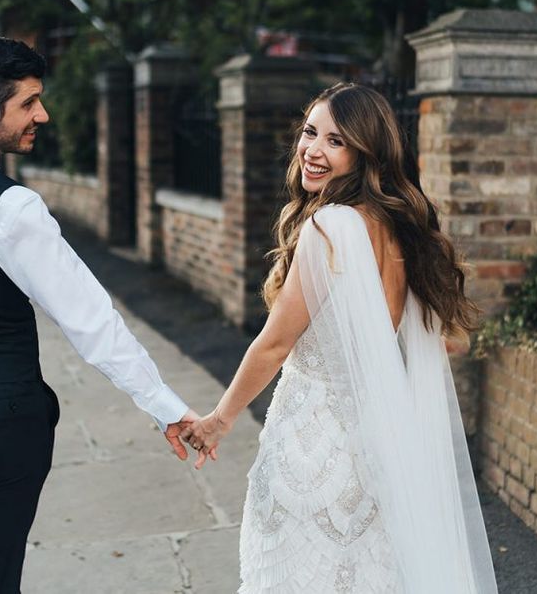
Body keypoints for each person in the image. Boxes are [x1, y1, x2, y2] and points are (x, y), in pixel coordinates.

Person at [0, 35, 197, 594]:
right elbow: (89, 320)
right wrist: (165, 407)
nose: (44, 113)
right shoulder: (12, 206)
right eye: (29, 102)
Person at [184, 83, 498, 593]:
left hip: (314, 453)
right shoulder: (398, 228)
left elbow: (274, 343)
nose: (313, 150)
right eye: (311, 133)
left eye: (336, 141)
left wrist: (220, 419)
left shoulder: (330, 228)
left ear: (364, 154)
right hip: (373, 447)